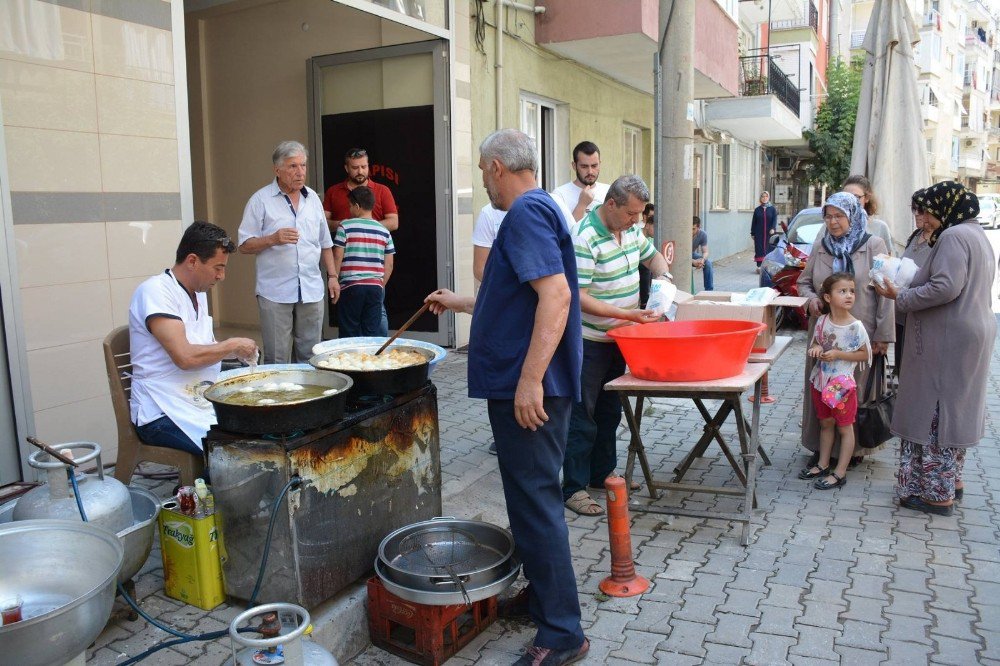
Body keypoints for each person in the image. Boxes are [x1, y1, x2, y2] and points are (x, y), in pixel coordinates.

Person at [425, 129, 589, 665]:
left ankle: (563, 634)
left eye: (480, 169)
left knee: (538, 506)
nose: (482, 180)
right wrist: (461, 302)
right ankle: (542, 597)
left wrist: (529, 379)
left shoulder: (524, 214)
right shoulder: (538, 212)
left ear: (497, 167)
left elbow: (557, 296)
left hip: (533, 394)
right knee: (528, 501)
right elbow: (516, 298)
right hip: (533, 387)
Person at [874, 181, 997, 516]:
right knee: (952, 408)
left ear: (945, 208)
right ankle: (952, 481)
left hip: (947, 337)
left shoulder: (954, 236)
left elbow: (945, 286)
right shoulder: (974, 233)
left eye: (927, 211)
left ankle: (936, 495)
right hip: (966, 333)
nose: (923, 219)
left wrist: (900, 297)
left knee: (933, 412)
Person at [562, 176, 667, 517]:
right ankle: (573, 488)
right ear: (611, 205)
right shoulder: (585, 236)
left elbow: (653, 258)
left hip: (622, 338)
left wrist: (664, 280)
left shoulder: (633, 230)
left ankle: (601, 473)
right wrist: (628, 314)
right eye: (632, 214)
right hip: (590, 341)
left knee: (610, 410)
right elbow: (579, 297)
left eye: (640, 215)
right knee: (583, 413)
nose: (637, 221)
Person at [129, 222, 258, 455]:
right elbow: (185, 357)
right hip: (161, 411)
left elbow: (203, 349)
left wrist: (233, 352)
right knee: (230, 455)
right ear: (192, 261)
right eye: (217, 268)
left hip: (194, 398)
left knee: (256, 429)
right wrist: (231, 344)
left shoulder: (198, 294)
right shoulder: (155, 291)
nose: (221, 276)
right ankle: (208, 489)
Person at [797, 191, 893, 467]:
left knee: (853, 394)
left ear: (852, 215)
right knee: (822, 388)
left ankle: (853, 452)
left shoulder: (873, 245)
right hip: (824, 333)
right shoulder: (821, 245)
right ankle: (822, 449)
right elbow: (804, 282)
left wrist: (883, 335)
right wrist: (813, 300)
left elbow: (886, 291)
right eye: (828, 216)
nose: (833, 222)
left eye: (839, 215)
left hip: (858, 333)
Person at [238, 141, 338, 363]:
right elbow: (244, 245)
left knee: (312, 355)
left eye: (303, 165)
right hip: (275, 291)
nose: (300, 172)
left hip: (311, 288)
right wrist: (273, 239)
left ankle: (311, 397)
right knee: (277, 357)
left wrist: (332, 276)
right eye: (293, 166)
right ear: (277, 170)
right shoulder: (260, 200)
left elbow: (325, 242)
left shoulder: (312, 198)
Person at [797, 273, 871, 490]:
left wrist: (838, 354)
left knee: (845, 428)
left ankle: (840, 472)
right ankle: (822, 464)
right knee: (825, 423)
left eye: (852, 291)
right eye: (842, 291)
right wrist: (818, 349)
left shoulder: (855, 327)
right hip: (820, 383)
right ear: (828, 297)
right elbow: (817, 344)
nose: (849, 295)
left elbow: (864, 355)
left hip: (842, 388)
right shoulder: (821, 321)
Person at [333, 185, 395, 337]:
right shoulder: (384, 231)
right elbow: (390, 264)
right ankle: (370, 359)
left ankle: (349, 359)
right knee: (371, 333)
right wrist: (380, 283)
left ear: (357, 206)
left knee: (349, 331)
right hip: (375, 288)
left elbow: (337, 256)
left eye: (350, 206)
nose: (349, 210)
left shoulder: (345, 226)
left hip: (351, 287)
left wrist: (334, 279)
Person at [894, 189, 932, 374]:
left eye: (922, 209)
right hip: (903, 313)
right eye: (914, 209)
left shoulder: (942, 239)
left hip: (923, 316)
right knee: (902, 367)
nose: (917, 213)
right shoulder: (915, 236)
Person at [322, 148, 399, 233]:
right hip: (343, 245)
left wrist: (362, 227)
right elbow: (323, 223)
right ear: (346, 168)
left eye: (364, 167)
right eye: (355, 167)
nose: (360, 171)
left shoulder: (383, 190)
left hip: (374, 245)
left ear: (368, 166)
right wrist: (344, 225)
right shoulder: (333, 191)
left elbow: (394, 223)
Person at [550, 141, 610, 223]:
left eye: (594, 166)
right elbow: (566, 233)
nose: (590, 172)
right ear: (574, 166)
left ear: (600, 164)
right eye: (584, 166)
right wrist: (582, 204)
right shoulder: (559, 195)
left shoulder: (609, 191)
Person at [842, 175, 895, 255]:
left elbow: (887, 262)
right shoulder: (831, 226)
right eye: (846, 197)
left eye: (856, 197)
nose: (850, 202)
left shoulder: (880, 227)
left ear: (867, 198)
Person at [750, 191, 777, 270]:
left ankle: (767, 266)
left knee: (768, 248)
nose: (764, 198)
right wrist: (752, 233)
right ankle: (759, 266)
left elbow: (774, 220)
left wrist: (773, 228)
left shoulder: (772, 209)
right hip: (759, 233)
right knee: (759, 248)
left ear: (768, 198)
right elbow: (754, 222)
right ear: (760, 198)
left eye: (766, 196)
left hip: (769, 233)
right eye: (763, 196)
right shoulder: (757, 210)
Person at [638, 204, 655, 306]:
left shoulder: (651, 239)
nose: (656, 230)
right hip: (636, 263)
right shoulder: (637, 233)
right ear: (647, 225)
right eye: (654, 227)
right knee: (646, 267)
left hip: (645, 264)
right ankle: (645, 302)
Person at [691, 216, 714, 291]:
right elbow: (680, 254)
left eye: (693, 229)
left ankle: (709, 291)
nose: (691, 231)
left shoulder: (702, 234)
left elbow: (705, 251)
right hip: (680, 255)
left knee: (708, 264)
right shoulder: (684, 233)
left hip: (692, 254)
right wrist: (692, 261)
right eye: (689, 228)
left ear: (698, 227)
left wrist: (702, 260)